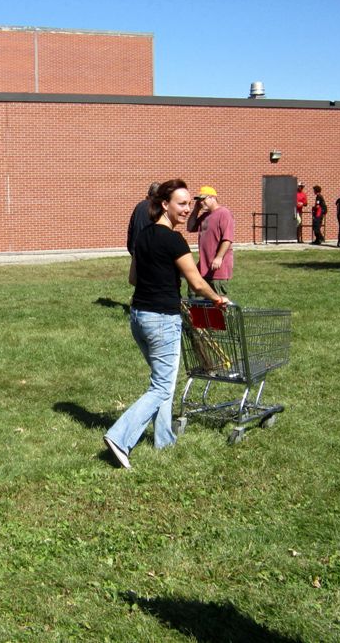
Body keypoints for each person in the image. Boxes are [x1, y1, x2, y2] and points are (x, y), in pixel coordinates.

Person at [103, 179, 229, 470]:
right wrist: (217, 299)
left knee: (164, 382)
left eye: (189, 204)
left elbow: (133, 279)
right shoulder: (174, 240)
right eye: (181, 204)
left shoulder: (142, 237)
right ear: (164, 205)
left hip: (139, 318)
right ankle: (119, 438)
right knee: (161, 386)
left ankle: (164, 439)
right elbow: (197, 283)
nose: (187, 209)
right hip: (161, 321)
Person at [186, 185, 234, 296]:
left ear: (213, 197)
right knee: (193, 295)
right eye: (199, 200)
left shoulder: (224, 213)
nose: (201, 202)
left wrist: (219, 257)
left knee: (217, 300)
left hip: (217, 269)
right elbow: (190, 227)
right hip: (202, 266)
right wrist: (196, 210)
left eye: (203, 199)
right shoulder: (205, 216)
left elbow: (227, 239)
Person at [126, 182, 159, 255]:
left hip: (136, 249)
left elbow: (131, 228)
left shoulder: (139, 206)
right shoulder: (156, 208)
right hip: (149, 251)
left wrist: (131, 248)